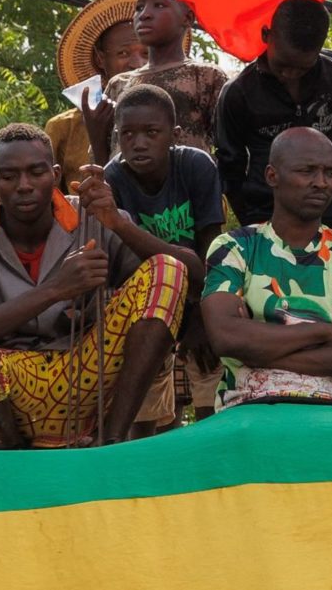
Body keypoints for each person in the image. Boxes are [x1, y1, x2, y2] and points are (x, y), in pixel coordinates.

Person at [0, 125, 194, 448]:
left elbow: (188, 278)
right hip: (10, 392)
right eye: (9, 176)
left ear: (54, 175)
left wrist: (119, 224)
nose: (24, 186)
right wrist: (54, 289)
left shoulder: (93, 216)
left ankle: (111, 438)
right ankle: (19, 462)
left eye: (36, 172)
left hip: (87, 377)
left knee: (167, 269)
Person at [198, 129, 332, 407]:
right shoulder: (235, 248)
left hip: (331, 408)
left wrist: (256, 348)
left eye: (330, 173)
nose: (321, 183)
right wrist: (327, 331)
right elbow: (225, 337)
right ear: (272, 176)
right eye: (307, 171)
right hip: (248, 406)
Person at [103, 82, 225, 415]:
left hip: (201, 293)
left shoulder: (196, 167)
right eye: (127, 134)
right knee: (146, 391)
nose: (138, 143)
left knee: (209, 372)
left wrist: (202, 318)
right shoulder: (114, 178)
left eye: (151, 133)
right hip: (147, 301)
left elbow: (210, 250)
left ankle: (210, 451)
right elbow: (124, 267)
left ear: (174, 134)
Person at [214, 0, 332, 231]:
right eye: (282, 64)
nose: (290, 74)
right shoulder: (238, 93)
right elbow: (229, 166)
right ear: (266, 36)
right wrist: (252, 222)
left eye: (303, 68)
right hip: (265, 218)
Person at [93, 0, 228, 156]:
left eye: (159, 5)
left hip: (189, 182)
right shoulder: (119, 84)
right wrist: (94, 132)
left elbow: (230, 148)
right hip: (126, 184)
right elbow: (109, 158)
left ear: (187, 18)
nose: (145, 15)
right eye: (139, 7)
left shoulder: (206, 77)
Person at [47, 0, 144, 176]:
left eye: (146, 53)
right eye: (123, 53)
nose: (137, 64)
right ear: (100, 59)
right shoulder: (64, 127)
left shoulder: (173, 116)